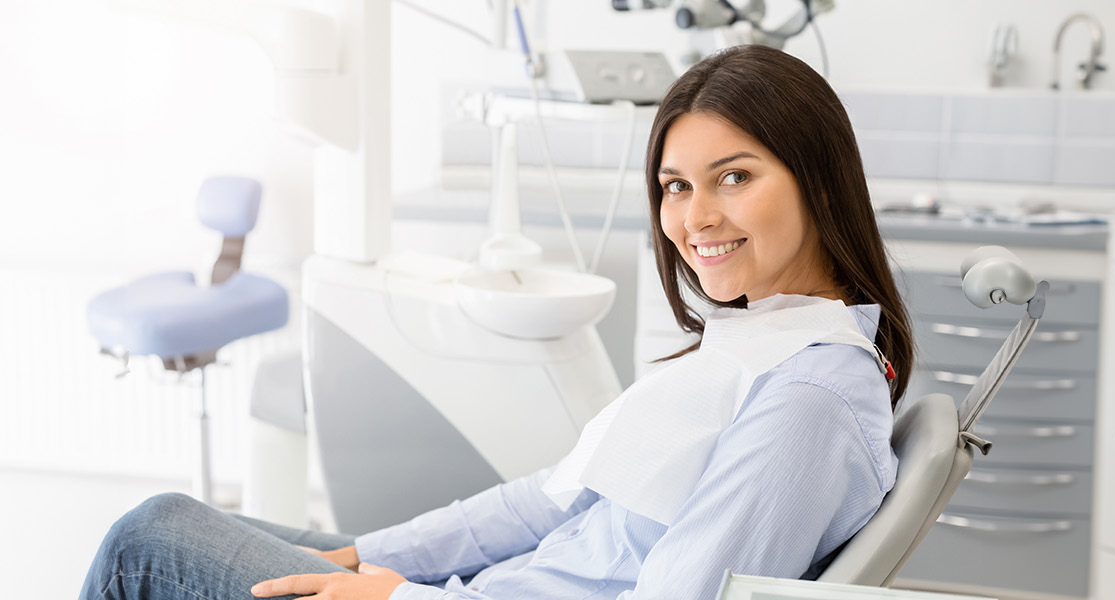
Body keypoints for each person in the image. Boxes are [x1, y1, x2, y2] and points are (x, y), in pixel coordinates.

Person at [78, 44, 916, 600]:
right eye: (675, 185)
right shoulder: (764, 339)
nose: (696, 218)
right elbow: (550, 506)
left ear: (817, 175)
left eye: (733, 177)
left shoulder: (808, 397)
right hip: (498, 583)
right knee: (206, 520)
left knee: (150, 538)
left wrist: (402, 595)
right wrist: (381, 553)